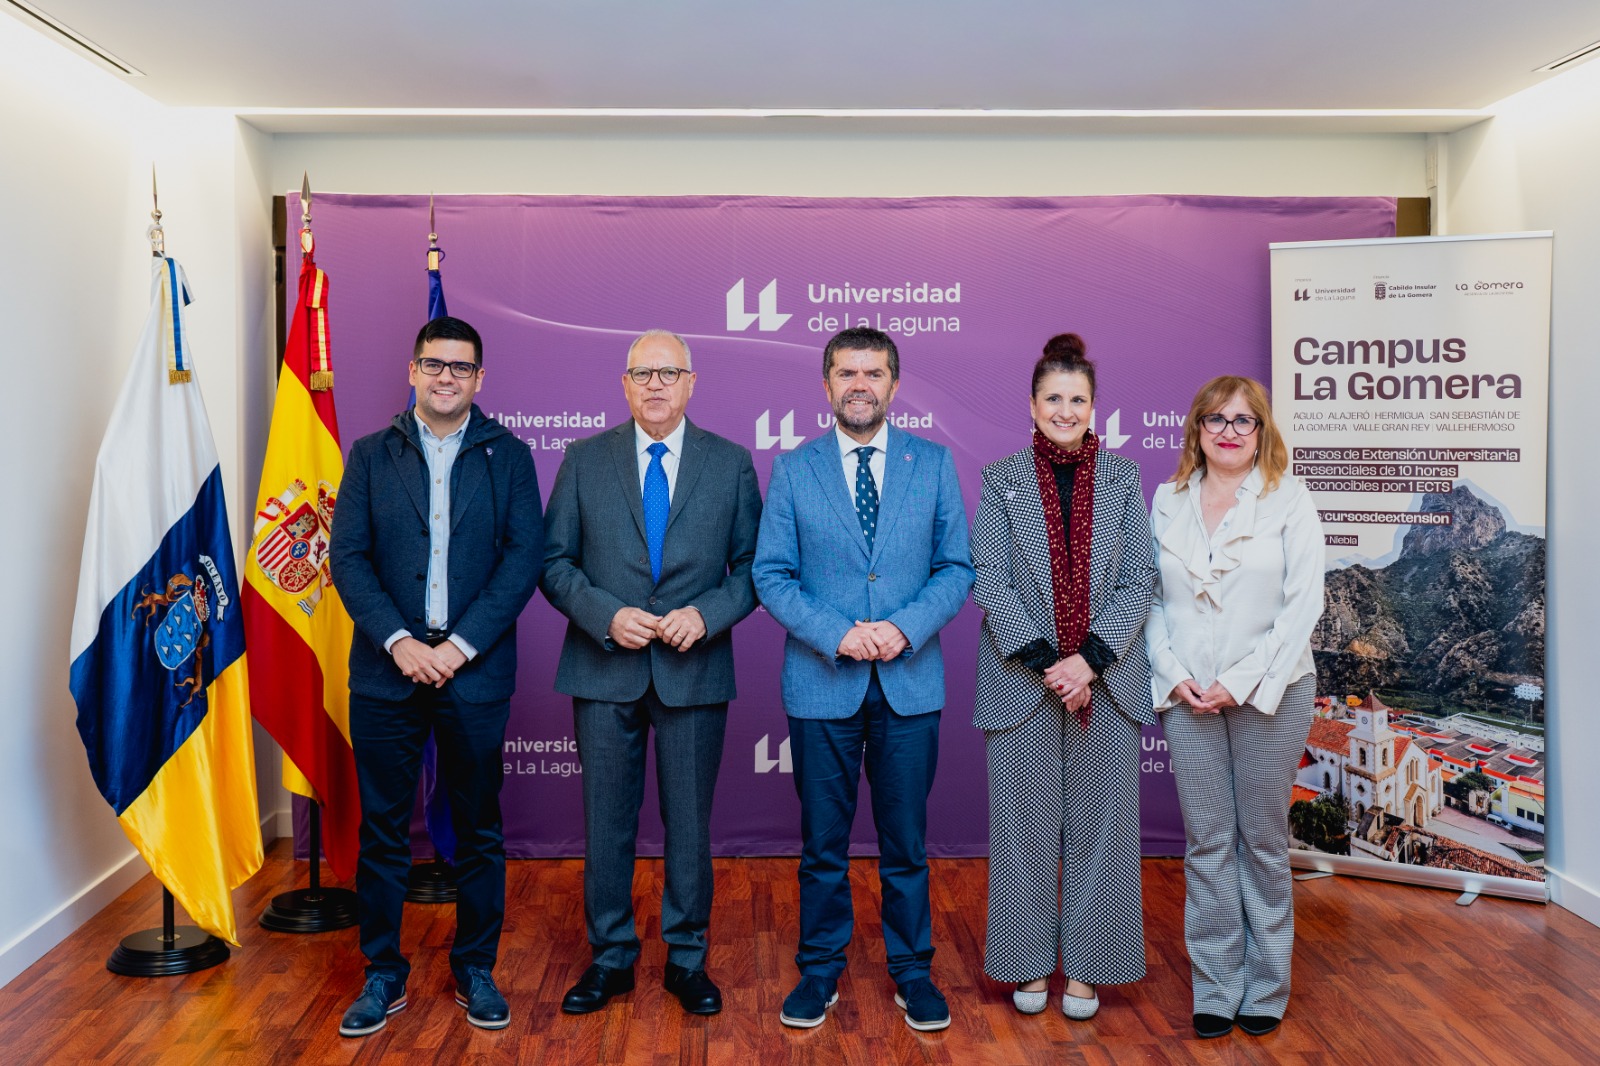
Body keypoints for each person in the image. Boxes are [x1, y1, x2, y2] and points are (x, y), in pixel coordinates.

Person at [753, 327, 974, 1033]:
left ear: (893, 383)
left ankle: (913, 971)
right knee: (823, 843)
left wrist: (903, 628)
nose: (859, 384)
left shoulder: (933, 464)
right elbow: (771, 574)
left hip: (910, 682)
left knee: (906, 841)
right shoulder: (794, 469)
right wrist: (839, 633)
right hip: (823, 680)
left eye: (872, 372)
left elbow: (956, 569)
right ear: (825, 386)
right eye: (846, 372)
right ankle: (819, 971)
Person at [330, 316, 544, 1037]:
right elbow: (349, 560)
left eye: (461, 366)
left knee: (478, 828)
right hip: (387, 672)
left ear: (480, 379)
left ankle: (475, 967)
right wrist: (398, 641)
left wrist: (459, 648)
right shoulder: (368, 455)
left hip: (474, 675)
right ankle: (383, 972)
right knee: (384, 830)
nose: (446, 376)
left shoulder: (508, 457)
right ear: (412, 371)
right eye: (434, 363)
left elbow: (523, 561)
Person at [542, 329, 762, 1017]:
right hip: (604, 668)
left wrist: (709, 614)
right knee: (606, 824)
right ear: (625, 383)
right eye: (643, 373)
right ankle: (610, 959)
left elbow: (757, 570)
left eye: (669, 372)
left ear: (692, 382)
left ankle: (687, 960)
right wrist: (604, 615)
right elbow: (553, 563)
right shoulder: (584, 459)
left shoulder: (730, 464)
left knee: (689, 825)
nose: (657, 384)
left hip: (693, 671)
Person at [970, 334, 1156, 1021]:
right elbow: (988, 576)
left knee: (1102, 832)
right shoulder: (1001, 477)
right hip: (1024, 682)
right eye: (1054, 398)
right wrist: (1051, 663)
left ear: (1094, 406)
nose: (1066, 409)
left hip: (1105, 680)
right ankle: (1024, 964)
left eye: (1078, 399)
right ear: (1032, 404)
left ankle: (1088, 969)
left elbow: (1140, 577)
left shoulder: (1125, 478)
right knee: (1022, 830)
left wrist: (1090, 662)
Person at [1145, 375, 1324, 1040]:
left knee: (1264, 842)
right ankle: (1217, 986)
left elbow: (1303, 605)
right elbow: (1151, 600)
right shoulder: (1166, 500)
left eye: (1243, 421)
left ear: (1261, 432)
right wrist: (1176, 673)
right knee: (1209, 843)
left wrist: (1241, 681)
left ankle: (1267, 985)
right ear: (1196, 428)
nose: (1228, 430)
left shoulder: (1290, 499)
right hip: (1187, 695)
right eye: (1215, 418)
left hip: (1271, 692)